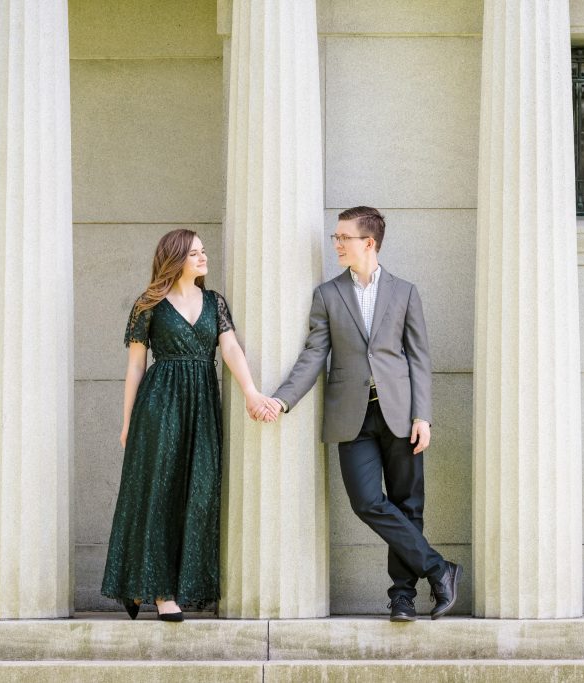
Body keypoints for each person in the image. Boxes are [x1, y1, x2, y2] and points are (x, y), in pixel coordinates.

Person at [258, 206, 461, 622]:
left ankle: (402, 597)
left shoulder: (404, 292)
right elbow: (314, 354)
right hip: (352, 416)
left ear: (368, 243)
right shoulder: (328, 295)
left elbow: (419, 358)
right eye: (336, 237)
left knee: (408, 505)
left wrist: (423, 415)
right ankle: (440, 569)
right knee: (367, 501)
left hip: (401, 414)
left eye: (342, 238)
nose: (336, 244)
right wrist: (282, 399)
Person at [102, 228, 277, 621]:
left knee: (199, 495)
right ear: (175, 258)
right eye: (195, 253)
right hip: (159, 406)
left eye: (204, 252)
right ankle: (163, 594)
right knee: (159, 497)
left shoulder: (214, 302)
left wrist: (251, 392)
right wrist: (127, 421)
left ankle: (167, 586)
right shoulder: (148, 304)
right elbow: (135, 366)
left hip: (202, 406)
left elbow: (230, 348)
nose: (203, 258)